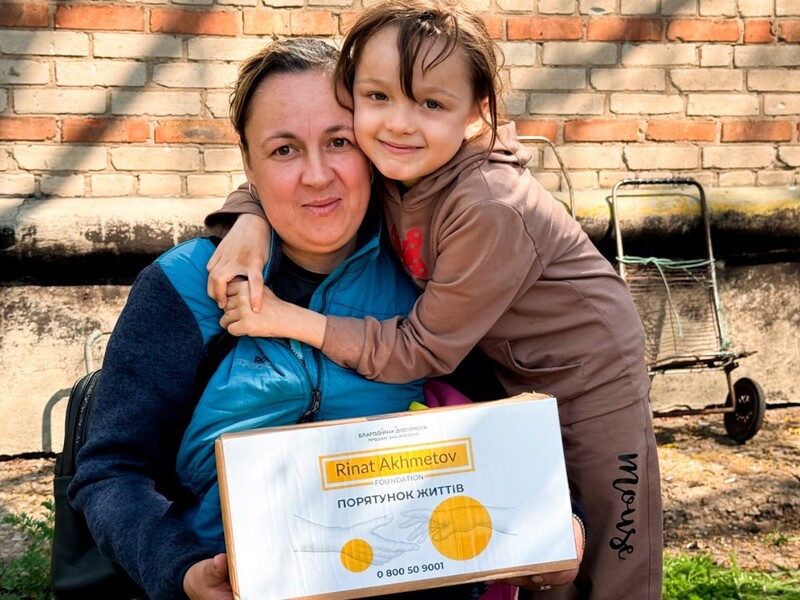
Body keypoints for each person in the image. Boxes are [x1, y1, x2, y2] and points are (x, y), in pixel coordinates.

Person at [205, 1, 663, 599]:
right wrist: (250, 218)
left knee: (610, 551)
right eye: (377, 97)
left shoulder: (490, 206)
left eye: (431, 103)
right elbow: (290, 170)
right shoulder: (397, 162)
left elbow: (421, 349)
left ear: (478, 112)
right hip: (505, 372)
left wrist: (292, 319)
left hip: (591, 380)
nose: (398, 123)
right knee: (536, 551)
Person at [68, 38, 428, 600]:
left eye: (339, 141)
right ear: (248, 165)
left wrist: (556, 525)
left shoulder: (434, 279)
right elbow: (113, 471)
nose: (317, 175)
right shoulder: (184, 285)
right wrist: (182, 570)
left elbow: (511, 424)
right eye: (284, 150)